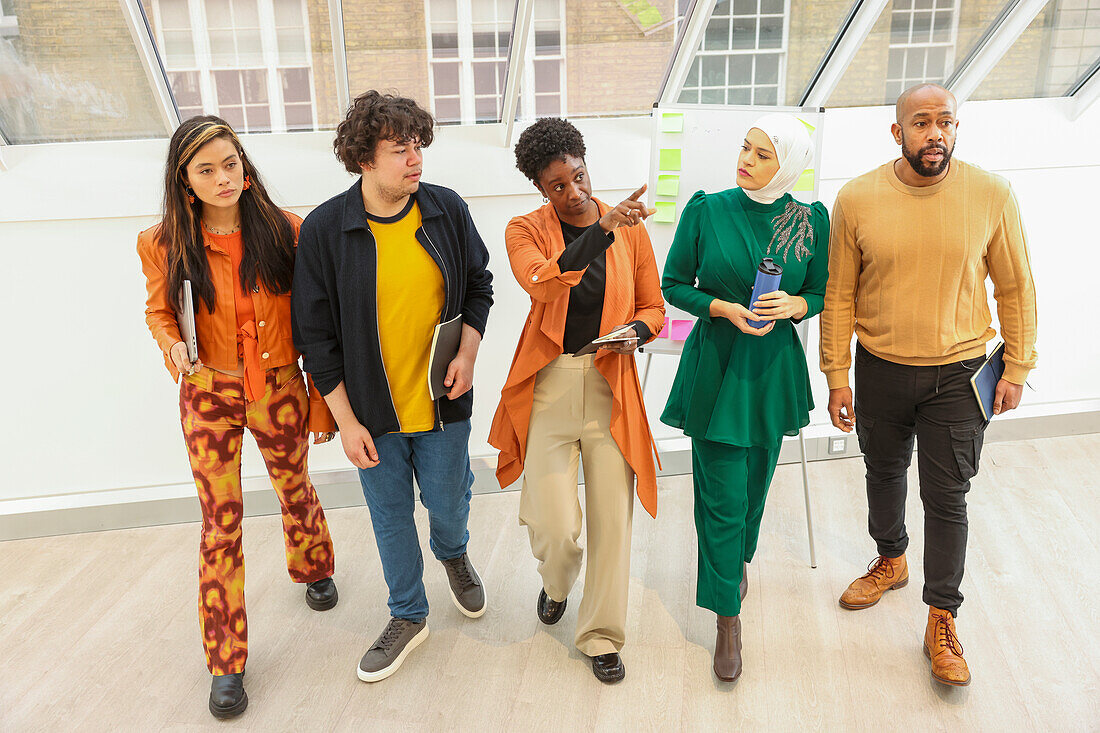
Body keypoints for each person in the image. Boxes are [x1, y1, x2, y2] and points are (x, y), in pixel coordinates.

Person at [820, 83, 1038, 687]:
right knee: (883, 473)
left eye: (945, 122)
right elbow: (838, 294)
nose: (934, 133)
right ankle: (890, 561)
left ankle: (942, 616)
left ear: (956, 128)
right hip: (880, 366)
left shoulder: (991, 194)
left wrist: (1017, 366)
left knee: (948, 499)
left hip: (960, 373)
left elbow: (1015, 288)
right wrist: (837, 374)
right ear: (898, 133)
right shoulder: (858, 197)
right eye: (920, 123)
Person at [137, 116, 339, 720]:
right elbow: (158, 311)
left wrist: (322, 398)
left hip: (279, 386)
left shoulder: (288, 231)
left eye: (231, 164)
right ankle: (226, 662)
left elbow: (316, 320)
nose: (223, 178)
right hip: (207, 394)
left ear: (245, 167)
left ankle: (314, 566)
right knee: (219, 524)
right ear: (185, 180)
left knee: (293, 487)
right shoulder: (162, 243)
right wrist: (171, 345)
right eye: (206, 170)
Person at [291, 91, 494, 683]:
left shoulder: (445, 210)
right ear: (362, 159)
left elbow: (479, 285)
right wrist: (345, 420)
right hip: (371, 411)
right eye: (398, 149)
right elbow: (316, 335)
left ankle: (453, 553)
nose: (414, 159)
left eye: (418, 146)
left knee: (449, 501)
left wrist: (471, 352)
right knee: (389, 515)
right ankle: (408, 613)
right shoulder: (327, 229)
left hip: (443, 398)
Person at [488, 117, 666, 684]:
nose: (574, 193)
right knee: (556, 526)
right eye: (557, 185)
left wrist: (637, 331)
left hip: (611, 382)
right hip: (552, 385)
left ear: (588, 165)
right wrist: (602, 230)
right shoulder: (525, 229)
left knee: (612, 520)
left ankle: (602, 637)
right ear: (540, 188)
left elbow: (654, 307)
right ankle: (556, 583)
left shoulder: (631, 228)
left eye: (578, 176)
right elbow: (541, 281)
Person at [660, 114, 827, 682]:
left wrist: (798, 307)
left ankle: (738, 563)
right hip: (717, 366)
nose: (747, 161)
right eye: (746, 149)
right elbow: (673, 283)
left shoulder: (810, 219)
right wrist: (721, 307)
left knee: (756, 485)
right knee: (722, 496)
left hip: (773, 371)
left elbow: (820, 289)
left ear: (789, 166)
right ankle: (727, 617)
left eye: (762, 155)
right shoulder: (707, 209)